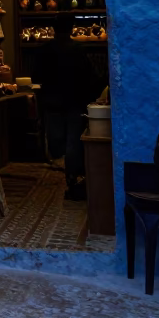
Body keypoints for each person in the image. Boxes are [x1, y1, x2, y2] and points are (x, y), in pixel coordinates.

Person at [33, 13, 103, 200]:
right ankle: (72, 178)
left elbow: (36, 77)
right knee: (74, 141)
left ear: (54, 30)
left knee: (57, 140)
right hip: (75, 101)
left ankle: (64, 165)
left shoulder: (44, 50)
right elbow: (90, 77)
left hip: (53, 102)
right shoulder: (78, 50)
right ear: (71, 29)